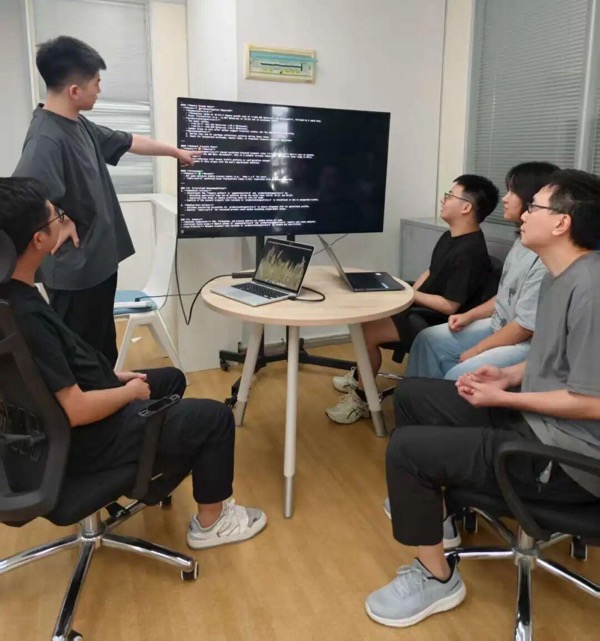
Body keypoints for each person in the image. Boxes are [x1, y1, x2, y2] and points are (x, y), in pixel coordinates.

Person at [366, 169, 600, 628]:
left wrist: (507, 399)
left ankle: (437, 579)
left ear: (562, 222)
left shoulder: (591, 290)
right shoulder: (559, 277)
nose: (523, 213)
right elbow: (555, 361)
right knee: (412, 395)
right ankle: (438, 518)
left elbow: (592, 402)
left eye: (535, 207)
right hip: (537, 424)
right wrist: (507, 374)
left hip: (568, 461)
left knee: (407, 451)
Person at [0, 177, 266, 549]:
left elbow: (51, 374)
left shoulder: (13, 297)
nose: (63, 219)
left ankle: (149, 473)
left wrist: (110, 377)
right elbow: (76, 410)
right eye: (56, 216)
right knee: (216, 419)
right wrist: (127, 393)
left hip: (41, 437)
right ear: (39, 240)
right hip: (82, 439)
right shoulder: (27, 316)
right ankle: (213, 523)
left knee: (171, 379)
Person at [13, 36, 197, 366]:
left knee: (102, 353)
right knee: (81, 360)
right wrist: (58, 217)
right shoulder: (45, 137)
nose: (100, 89)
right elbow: (23, 196)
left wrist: (174, 152)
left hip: (99, 267)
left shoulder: (78, 124)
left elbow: (129, 141)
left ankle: (112, 394)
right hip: (74, 275)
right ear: (74, 91)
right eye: (96, 82)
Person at [325, 174, 499, 424]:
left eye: (450, 195)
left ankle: (362, 400)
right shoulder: (450, 236)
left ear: (466, 207)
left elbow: (449, 306)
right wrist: (405, 295)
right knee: (369, 312)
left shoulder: (470, 252)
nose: (444, 200)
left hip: (440, 320)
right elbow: (431, 271)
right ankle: (360, 376)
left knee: (367, 331)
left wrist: (410, 295)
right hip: (421, 306)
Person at [405, 161, 559, 382]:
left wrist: (477, 350)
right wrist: (469, 316)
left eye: (513, 192)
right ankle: (418, 398)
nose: (505, 199)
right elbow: (505, 296)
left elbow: (524, 328)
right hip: (499, 324)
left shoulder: (545, 261)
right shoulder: (522, 243)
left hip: (524, 342)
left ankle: (439, 399)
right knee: (427, 339)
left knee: (459, 373)